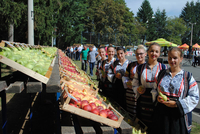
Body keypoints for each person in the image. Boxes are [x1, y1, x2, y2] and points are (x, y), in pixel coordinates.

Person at [152, 47, 199, 134]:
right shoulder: (162, 74)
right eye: (170, 57)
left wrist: (177, 104)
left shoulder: (187, 77)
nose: (172, 60)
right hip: (161, 115)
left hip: (177, 117)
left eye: (175, 58)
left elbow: (194, 97)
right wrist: (157, 97)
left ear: (181, 59)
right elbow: (154, 89)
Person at [132, 42, 167, 133]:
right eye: (151, 51)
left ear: (159, 53)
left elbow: (166, 86)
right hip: (143, 101)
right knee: (142, 125)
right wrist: (138, 89)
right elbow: (134, 84)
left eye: (156, 51)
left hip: (157, 102)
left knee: (155, 126)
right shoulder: (140, 68)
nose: (154, 54)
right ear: (147, 52)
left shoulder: (163, 68)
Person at [122, 45, 147, 119]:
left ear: (145, 54)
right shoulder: (131, 65)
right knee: (131, 112)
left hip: (143, 93)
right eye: (137, 54)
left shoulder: (148, 66)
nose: (139, 56)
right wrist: (127, 82)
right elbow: (125, 76)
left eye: (141, 54)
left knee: (141, 113)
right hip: (131, 92)